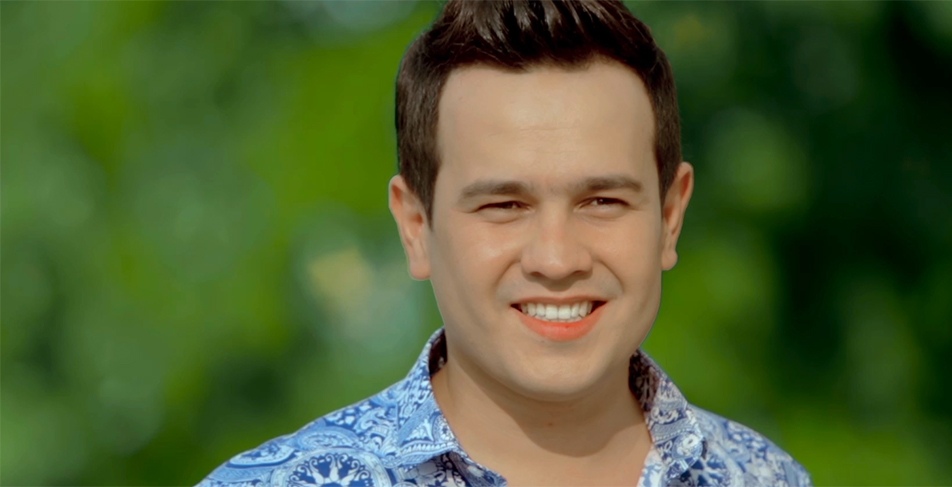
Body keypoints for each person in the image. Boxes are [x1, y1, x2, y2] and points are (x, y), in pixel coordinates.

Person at [199, 1, 811, 485]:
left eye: (602, 201)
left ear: (670, 218)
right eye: (504, 206)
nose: (557, 259)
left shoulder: (766, 478)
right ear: (415, 227)